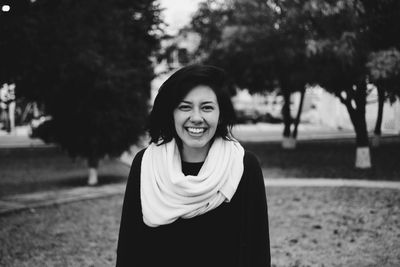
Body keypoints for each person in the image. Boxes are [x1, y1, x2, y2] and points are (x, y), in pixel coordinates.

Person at [116, 64, 271, 266]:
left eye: (207, 107)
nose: (196, 118)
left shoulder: (242, 166)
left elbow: (257, 250)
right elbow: (130, 247)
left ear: (221, 114)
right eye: (185, 107)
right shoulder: (147, 164)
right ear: (171, 113)